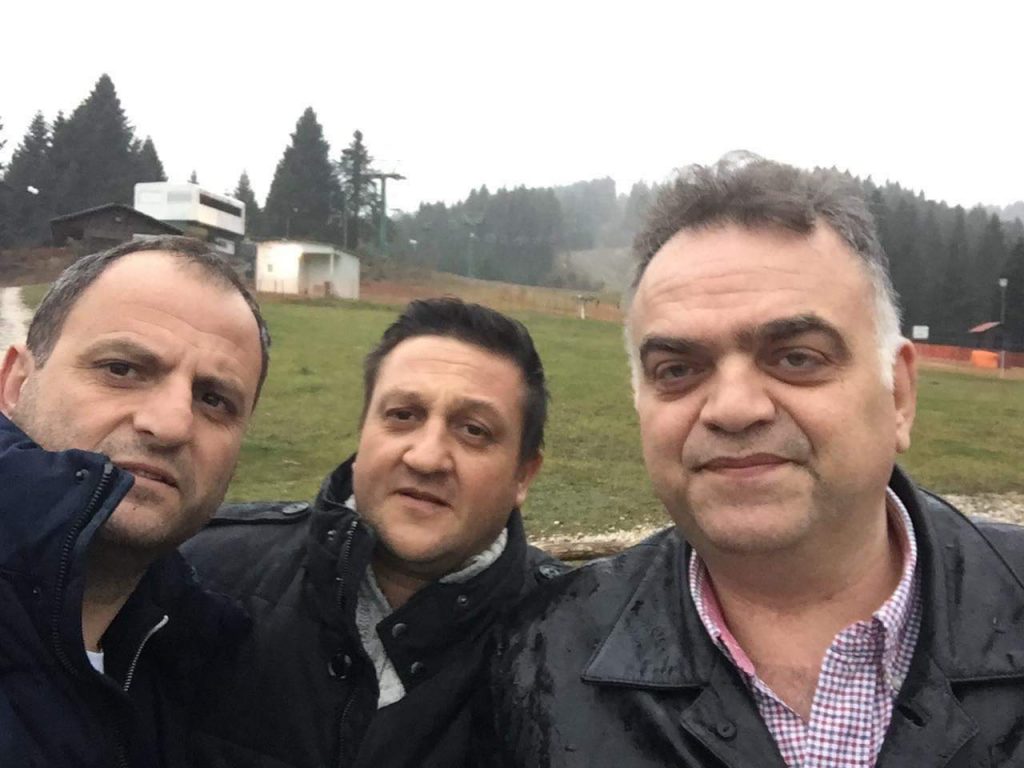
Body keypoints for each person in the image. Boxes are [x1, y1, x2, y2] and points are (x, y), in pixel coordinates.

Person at [485, 154, 1024, 767]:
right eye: (678, 370)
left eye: (796, 358)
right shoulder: (538, 658)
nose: (734, 409)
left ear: (898, 395)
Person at [182, 296, 566, 768]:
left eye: (474, 430)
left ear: (523, 475)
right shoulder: (202, 577)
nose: (426, 458)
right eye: (403, 415)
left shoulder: (572, 646)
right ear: (363, 433)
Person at [0, 236, 270, 767]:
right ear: (14, 383)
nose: (170, 424)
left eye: (214, 399)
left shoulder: (201, 661)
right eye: (121, 369)